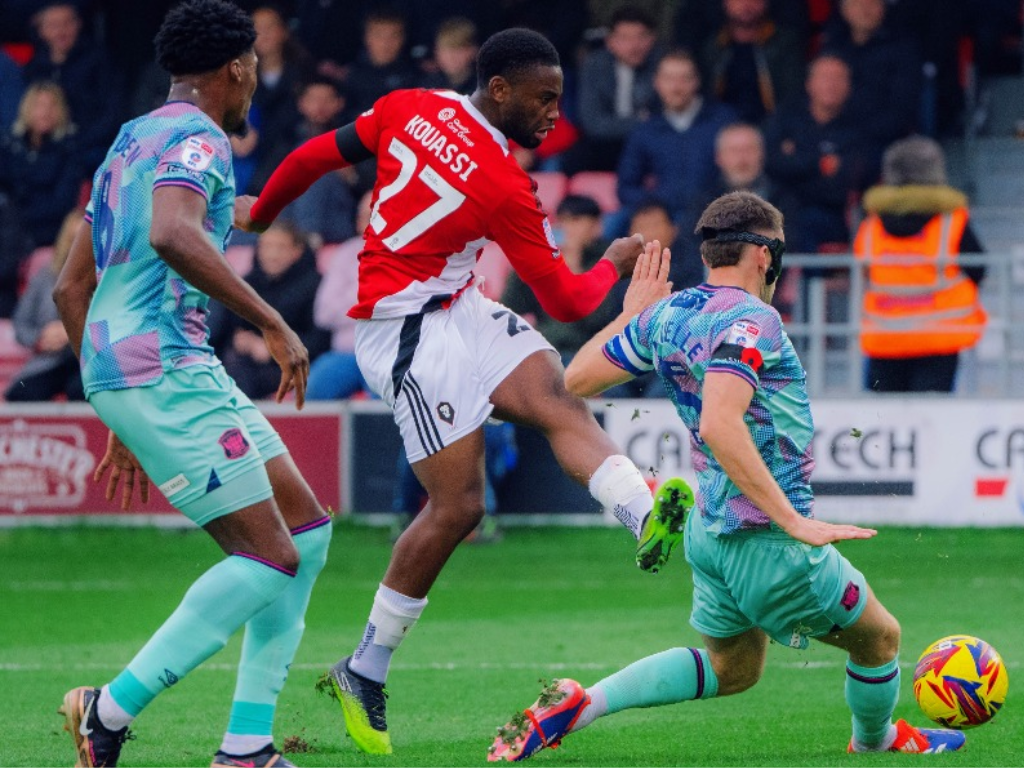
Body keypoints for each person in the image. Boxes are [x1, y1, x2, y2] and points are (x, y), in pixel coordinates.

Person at [238, 27, 692, 756]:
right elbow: (572, 302)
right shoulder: (503, 184)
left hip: (457, 303)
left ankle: (646, 515)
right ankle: (364, 667)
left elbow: (317, 153)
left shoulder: (410, 104)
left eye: (560, 100)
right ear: (501, 90)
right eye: (542, 100)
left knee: (556, 402)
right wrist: (612, 265)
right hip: (406, 331)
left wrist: (259, 213)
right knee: (460, 506)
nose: (552, 114)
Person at [486, 192, 968, 761]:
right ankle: (878, 741)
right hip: (768, 541)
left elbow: (578, 380)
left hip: (709, 533)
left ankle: (580, 703)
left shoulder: (672, 311)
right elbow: (719, 421)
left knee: (731, 667)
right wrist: (793, 521)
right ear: (764, 256)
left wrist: (629, 316)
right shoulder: (752, 318)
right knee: (880, 638)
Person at [51, 3, 331, 767]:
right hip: (167, 366)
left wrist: (116, 405)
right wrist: (272, 320)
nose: (253, 91)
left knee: (306, 533)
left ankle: (246, 746)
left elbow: (71, 289)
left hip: (135, 368)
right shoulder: (201, 138)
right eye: (252, 75)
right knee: (270, 554)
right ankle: (107, 710)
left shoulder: (130, 138)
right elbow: (173, 234)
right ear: (237, 68)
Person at [856, 136, 987, 393]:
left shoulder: (871, 223)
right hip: (939, 338)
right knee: (931, 419)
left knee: (887, 422)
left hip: (885, 337)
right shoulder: (953, 221)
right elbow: (979, 269)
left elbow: (864, 270)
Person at [763, 55, 873, 255]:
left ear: (849, 86)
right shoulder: (787, 119)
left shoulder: (859, 127)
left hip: (832, 216)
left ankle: (804, 287)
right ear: (809, 84)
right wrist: (819, 163)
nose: (831, 85)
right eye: (824, 77)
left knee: (804, 224)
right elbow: (772, 165)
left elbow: (847, 181)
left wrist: (796, 161)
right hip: (780, 208)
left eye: (838, 78)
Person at [208, 221, 330, 400]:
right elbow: (223, 332)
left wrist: (271, 349)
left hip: (293, 366)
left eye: (280, 247)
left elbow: (321, 341)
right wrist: (241, 340)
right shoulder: (245, 285)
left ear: (297, 251)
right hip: (244, 363)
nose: (272, 255)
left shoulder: (315, 286)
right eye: (267, 247)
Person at [617, 50, 737, 226]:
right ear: (656, 82)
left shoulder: (724, 121)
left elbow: (744, 174)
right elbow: (626, 187)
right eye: (669, 79)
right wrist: (654, 206)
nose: (676, 87)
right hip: (662, 219)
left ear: (696, 82)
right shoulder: (645, 130)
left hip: (717, 217)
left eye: (684, 79)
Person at [22, 2, 124, 170]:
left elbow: (112, 112)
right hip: (45, 151)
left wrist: (78, 143)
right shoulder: (34, 68)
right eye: (53, 25)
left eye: (67, 23)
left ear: (79, 24)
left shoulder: (99, 62)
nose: (61, 31)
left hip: (90, 149)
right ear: (40, 29)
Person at [4, 208, 86, 402]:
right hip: (48, 361)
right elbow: (20, 324)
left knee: (80, 389)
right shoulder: (44, 276)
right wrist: (41, 338)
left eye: (82, 243)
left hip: (84, 361)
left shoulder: (104, 276)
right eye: (72, 241)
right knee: (21, 392)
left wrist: (73, 332)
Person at [571, 5, 663, 173]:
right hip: (603, 145)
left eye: (641, 37)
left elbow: (662, 122)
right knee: (573, 159)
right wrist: (640, 121)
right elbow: (593, 123)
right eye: (625, 38)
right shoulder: (594, 65)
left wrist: (643, 125)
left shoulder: (662, 65)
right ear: (610, 41)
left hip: (648, 144)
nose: (634, 45)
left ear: (653, 39)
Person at [0, 81, 83, 250]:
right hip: (9, 230)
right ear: (26, 109)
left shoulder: (70, 151)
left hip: (47, 235)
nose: (45, 112)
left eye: (52, 106)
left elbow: (62, 204)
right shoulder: (10, 147)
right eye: (39, 105)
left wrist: (19, 217)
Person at [700, 0, 805, 125]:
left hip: (771, 127)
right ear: (726, 4)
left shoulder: (783, 44)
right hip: (720, 128)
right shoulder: (714, 46)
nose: (746, 5)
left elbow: (791, 96)